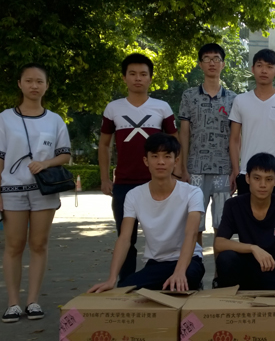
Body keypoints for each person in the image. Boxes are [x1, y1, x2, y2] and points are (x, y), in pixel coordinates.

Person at [0, 63, 71, 323]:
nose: (34, 86)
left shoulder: (55, 120)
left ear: (47, 86)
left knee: (39, 244)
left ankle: (33, 301)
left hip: (44, 191)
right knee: (14, 245)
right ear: (20, 84)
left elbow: (64, 155)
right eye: (29, 81)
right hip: (12, 190)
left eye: (39, 81)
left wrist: (45, 163)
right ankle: (13, 303)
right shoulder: (5, 118)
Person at [89, 133, 206, 293]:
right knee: (125, 288)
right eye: (155, 156)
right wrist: (112, 279)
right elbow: (124, 239)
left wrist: (179, 272)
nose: (161, 162)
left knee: (185, 279)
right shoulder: (134, 195)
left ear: (176, 161)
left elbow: (191, 234)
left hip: (188, 261)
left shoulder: (192, 193)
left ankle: (182, 281)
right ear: (146, 161)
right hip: (156, 262)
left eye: (167, 156)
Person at [99, 53, 178, 282]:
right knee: (126, 238)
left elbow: (175, 141)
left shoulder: (162, 107)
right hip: (124, 184)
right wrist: (105, 178)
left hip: (158, 183)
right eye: (132, 74)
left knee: (165, 236)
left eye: (143, 74)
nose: (138, 78)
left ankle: (167, 279)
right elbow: (104, 145)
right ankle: (125, 284)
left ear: (151, 78)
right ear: (124, 77)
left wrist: (177, 172)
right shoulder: (113, 108)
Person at [213, 153, 275, 292]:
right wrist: (253, 248)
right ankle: (227, 298)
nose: (263, 185)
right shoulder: (234, 205)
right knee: (226, 258)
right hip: (244, 272)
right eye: (257, 178)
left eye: (268, 179)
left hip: (273, 271)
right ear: (247, 178)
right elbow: (219, 243)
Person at [179, 43, 237, 246]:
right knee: (195, 224)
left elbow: (236, 138)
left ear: (223, 64)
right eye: (207, 59)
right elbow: (184, 134)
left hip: (223, 170)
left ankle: (221, 267)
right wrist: (183, 167)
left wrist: (235, 170)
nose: (212, 63)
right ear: (200, 64)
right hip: (195, 170)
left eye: (216, 59)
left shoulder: (233, 99)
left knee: (222, 225)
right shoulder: (189, 96)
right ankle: (195, 264)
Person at [229, 49, 275, 198]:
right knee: (246, 213)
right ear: (253, 69)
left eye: (269, 66)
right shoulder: (240, 100)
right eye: (260, 65)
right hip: (247, 173)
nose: (264, 71)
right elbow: (234, 139)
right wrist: (236, 171)